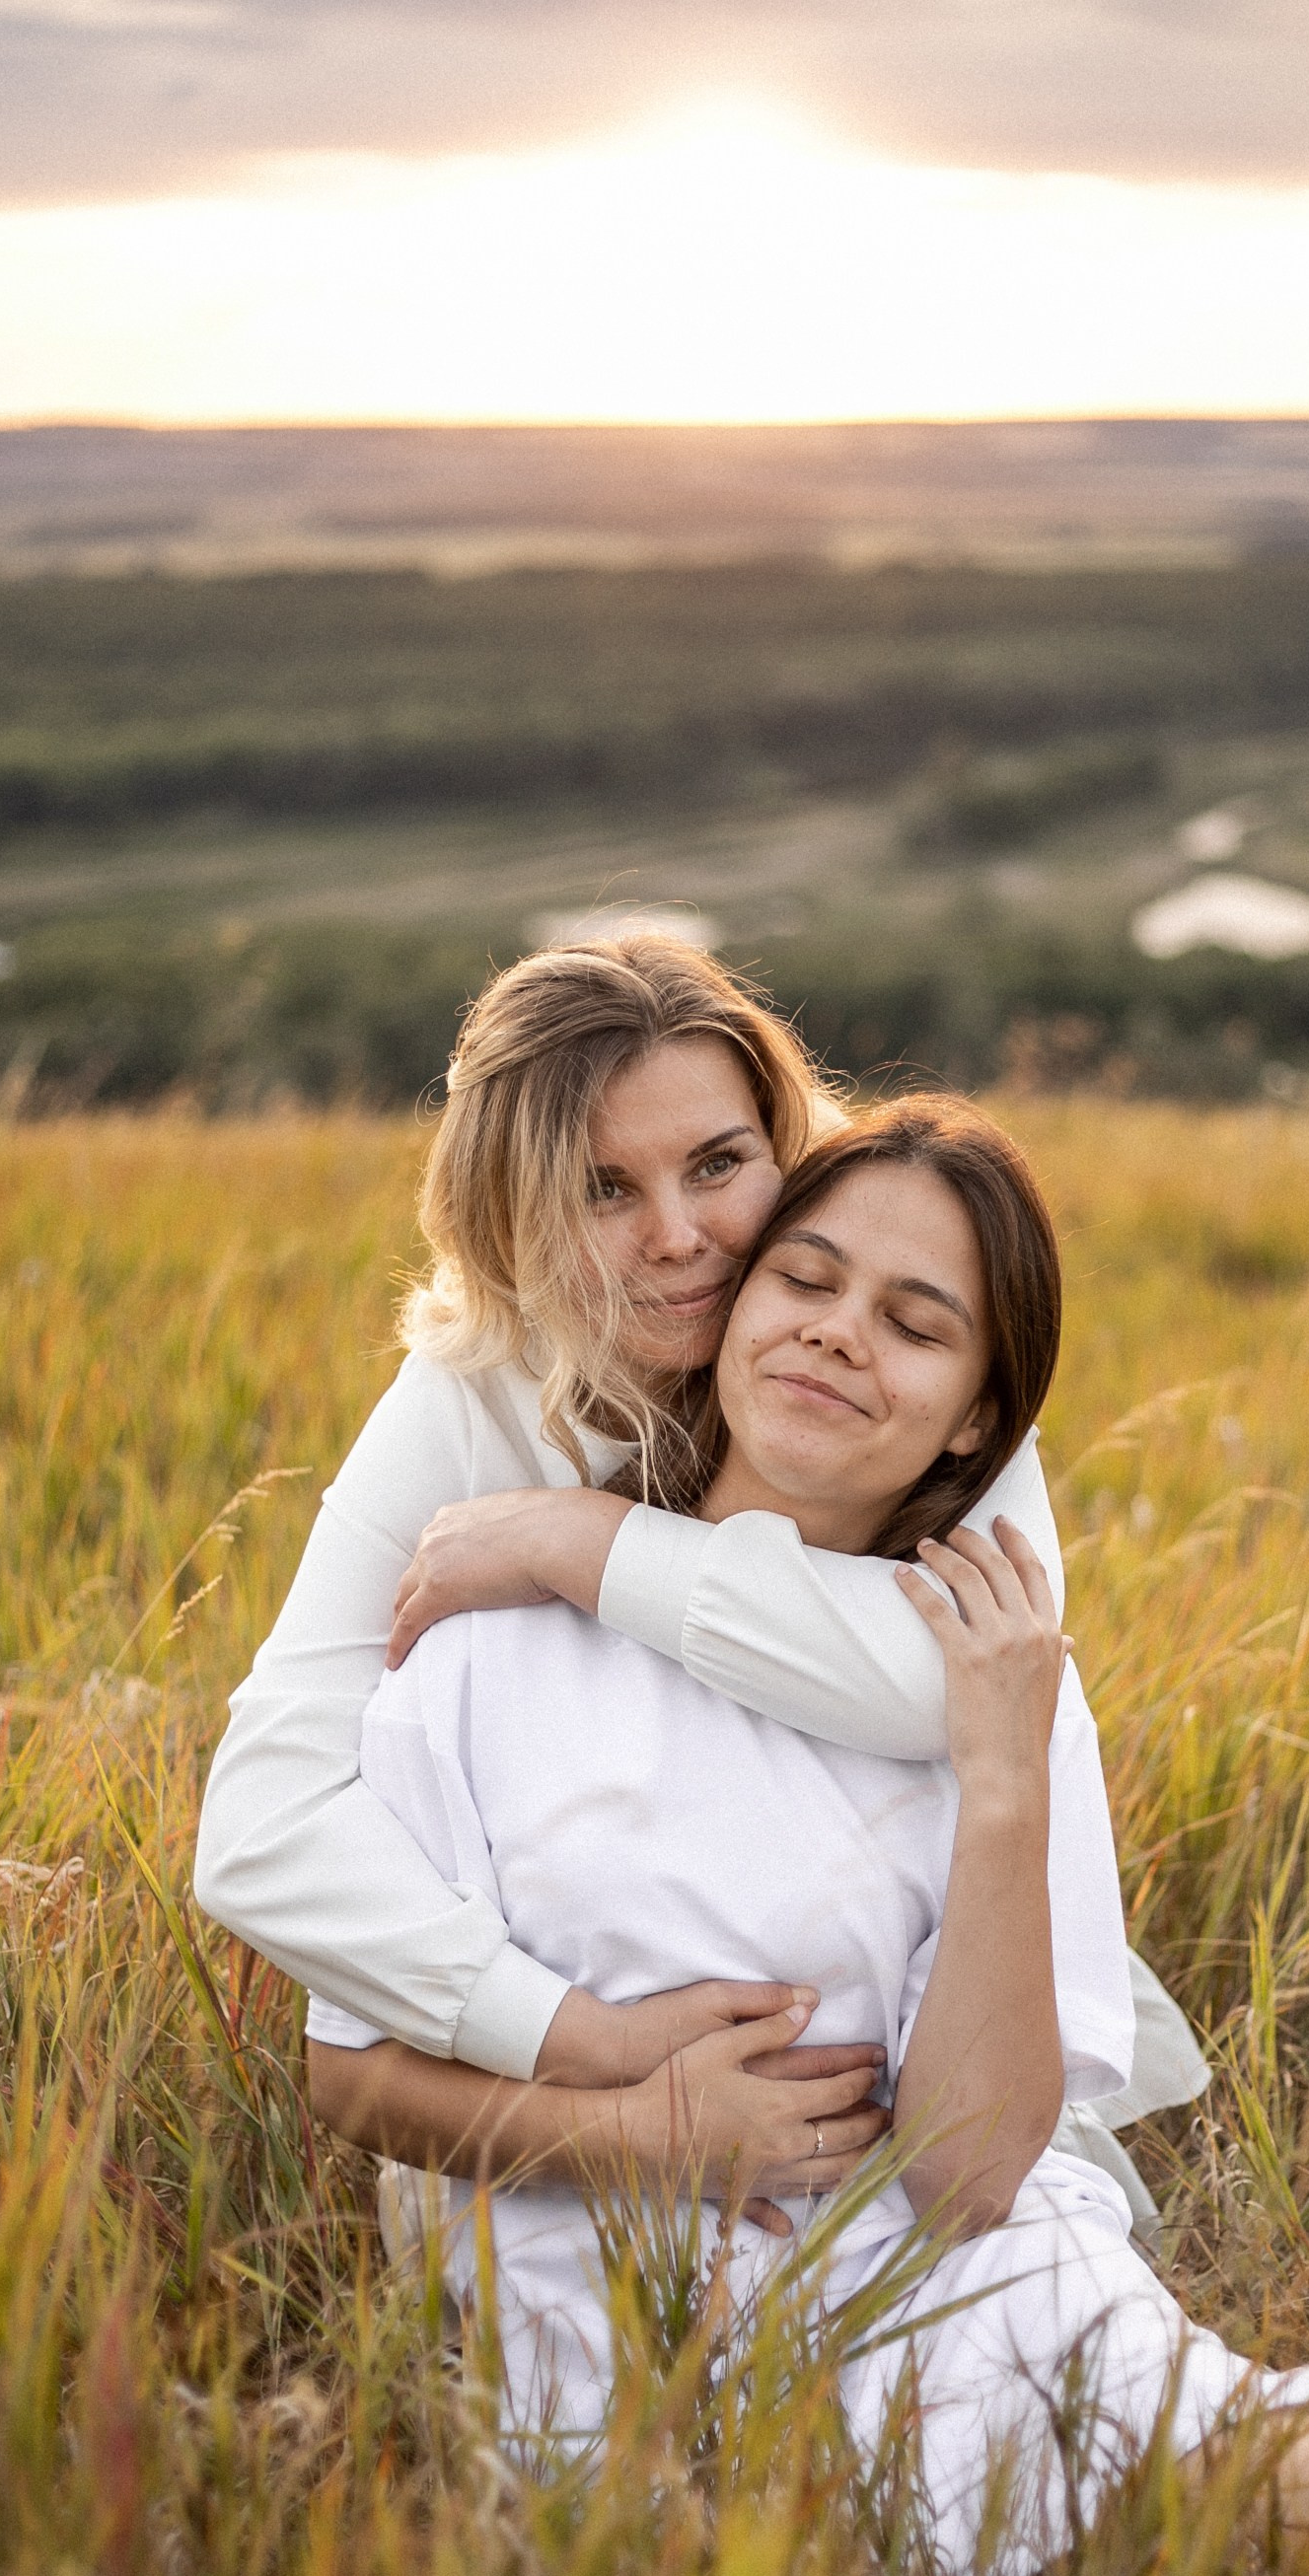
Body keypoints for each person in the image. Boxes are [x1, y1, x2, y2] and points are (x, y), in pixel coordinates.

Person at [306, 1099, 1309, 2576]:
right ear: (734, 1308)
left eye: (914, 1321)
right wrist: (648, 2141)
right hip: (610, 2278)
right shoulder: (491, 1641)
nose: (835, 1334)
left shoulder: (994, 1673)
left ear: (973, 1419)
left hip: (958, 2264)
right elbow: (349, 2072)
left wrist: (1005, 1787)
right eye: (805, 1281)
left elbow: (963, 2179)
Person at [194, 932, 1205, 2195]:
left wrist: (583, 1542)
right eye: (601, 1189)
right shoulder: (471, 1395)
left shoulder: (865, 1324)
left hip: (883, 1942)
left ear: (784, 1150)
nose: (680, 1238)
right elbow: (260, 1829)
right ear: (510, 1218)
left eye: (719, 1165)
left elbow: (949, 1682)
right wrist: (586, 2050)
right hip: (587, 1976)